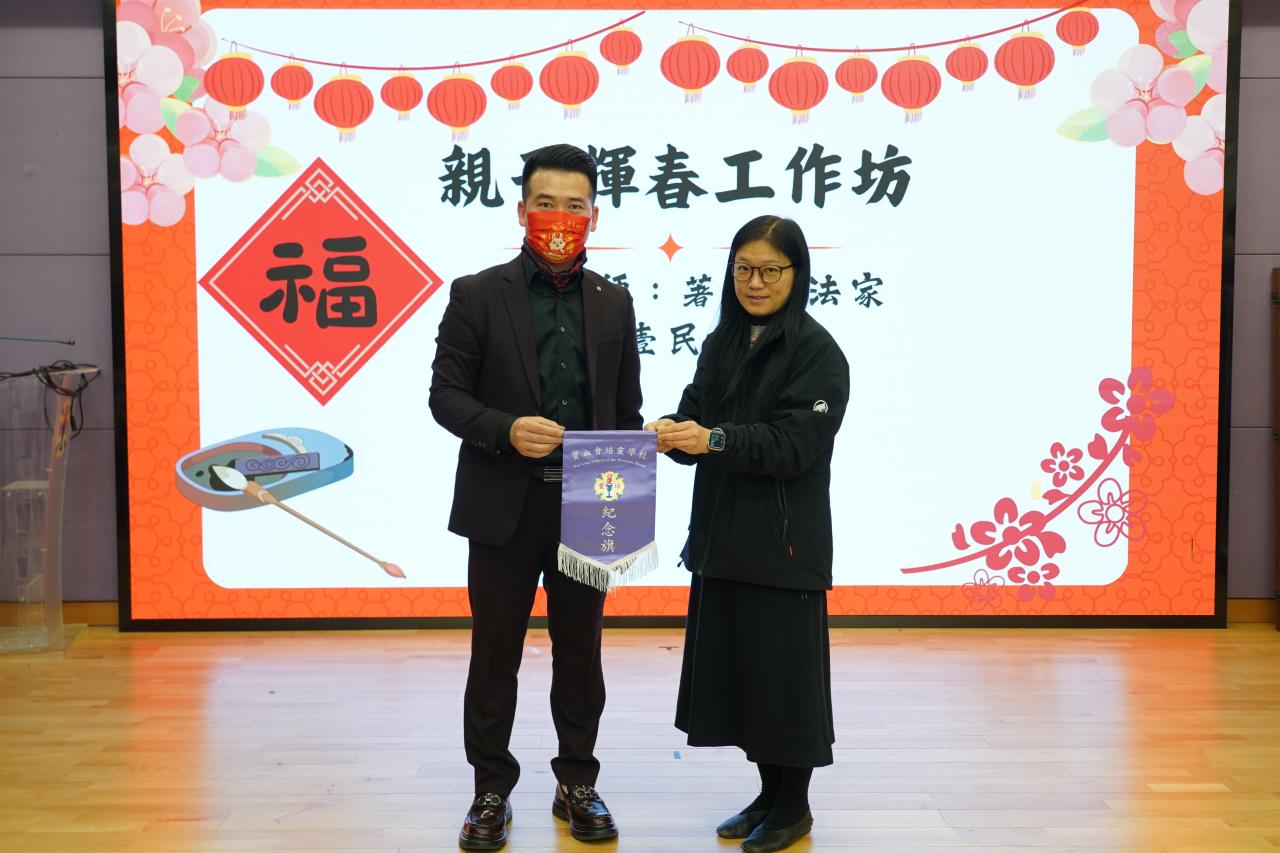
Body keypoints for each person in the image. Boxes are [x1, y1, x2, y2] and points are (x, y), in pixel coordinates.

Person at [429, 144, 642, 850]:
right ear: (521, 211)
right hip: (502, 504)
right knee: (496, 651)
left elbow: (626, 411)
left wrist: (628, 494)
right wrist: (505, 428)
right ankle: (490, 789)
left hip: (590, 502)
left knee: (581, 651)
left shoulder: (614, 302)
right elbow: (446, 396)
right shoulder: (476, 294)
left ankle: (576, 780)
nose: (560, 217)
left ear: (594, 216)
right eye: (545, 204)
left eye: (574, 206)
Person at [645, 215, 849, 853]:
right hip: (722, 541)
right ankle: (768, 796)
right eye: (743, 269)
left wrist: (714, 440)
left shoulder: (818, 352)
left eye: (770, 271)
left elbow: (795, 444)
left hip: (784, 548)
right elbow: (699, 416)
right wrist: (670, 431)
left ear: (797, 274)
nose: (755, 283)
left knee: (785, 685)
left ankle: (794, 807)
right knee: (746, 684)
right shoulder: (722, 342)